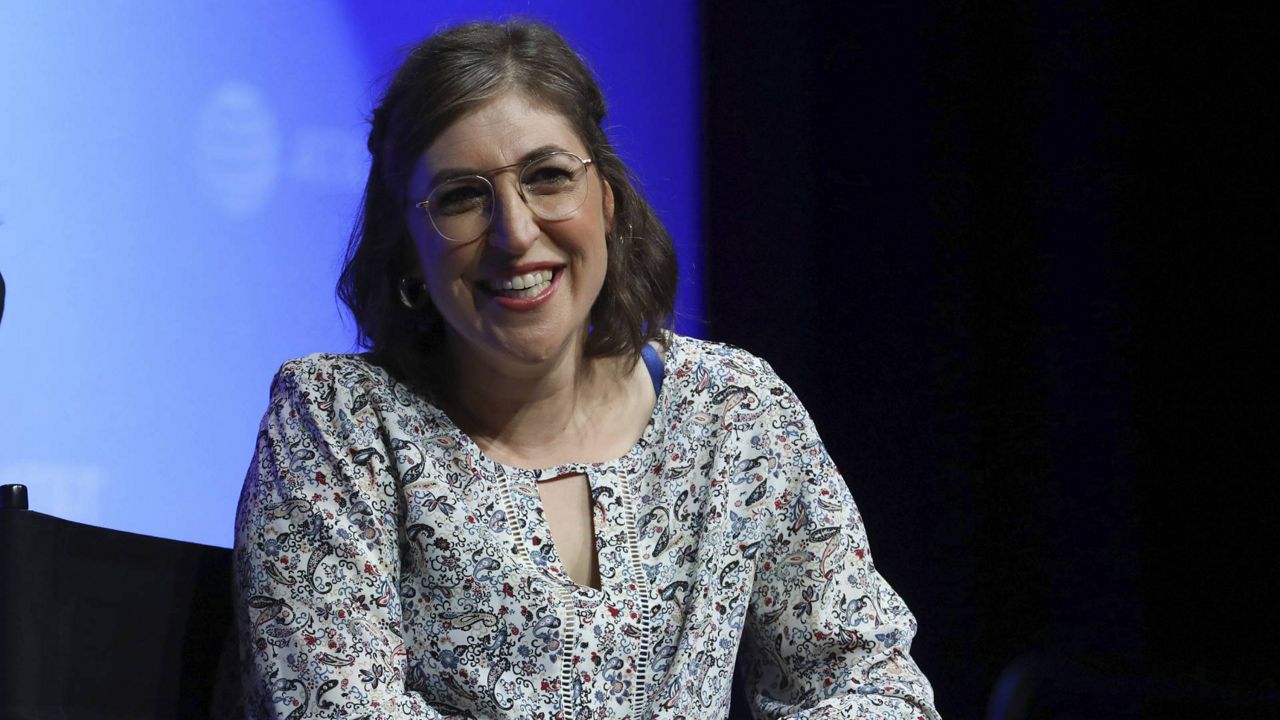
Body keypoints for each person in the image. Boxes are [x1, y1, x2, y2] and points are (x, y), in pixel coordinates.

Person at [234, 19, 940, 720]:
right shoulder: (334, 423)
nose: (514, 234)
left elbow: (877, 690)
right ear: (409, 245)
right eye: (461, 196)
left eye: (546, 177)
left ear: (606, 201)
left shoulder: (735, 411)